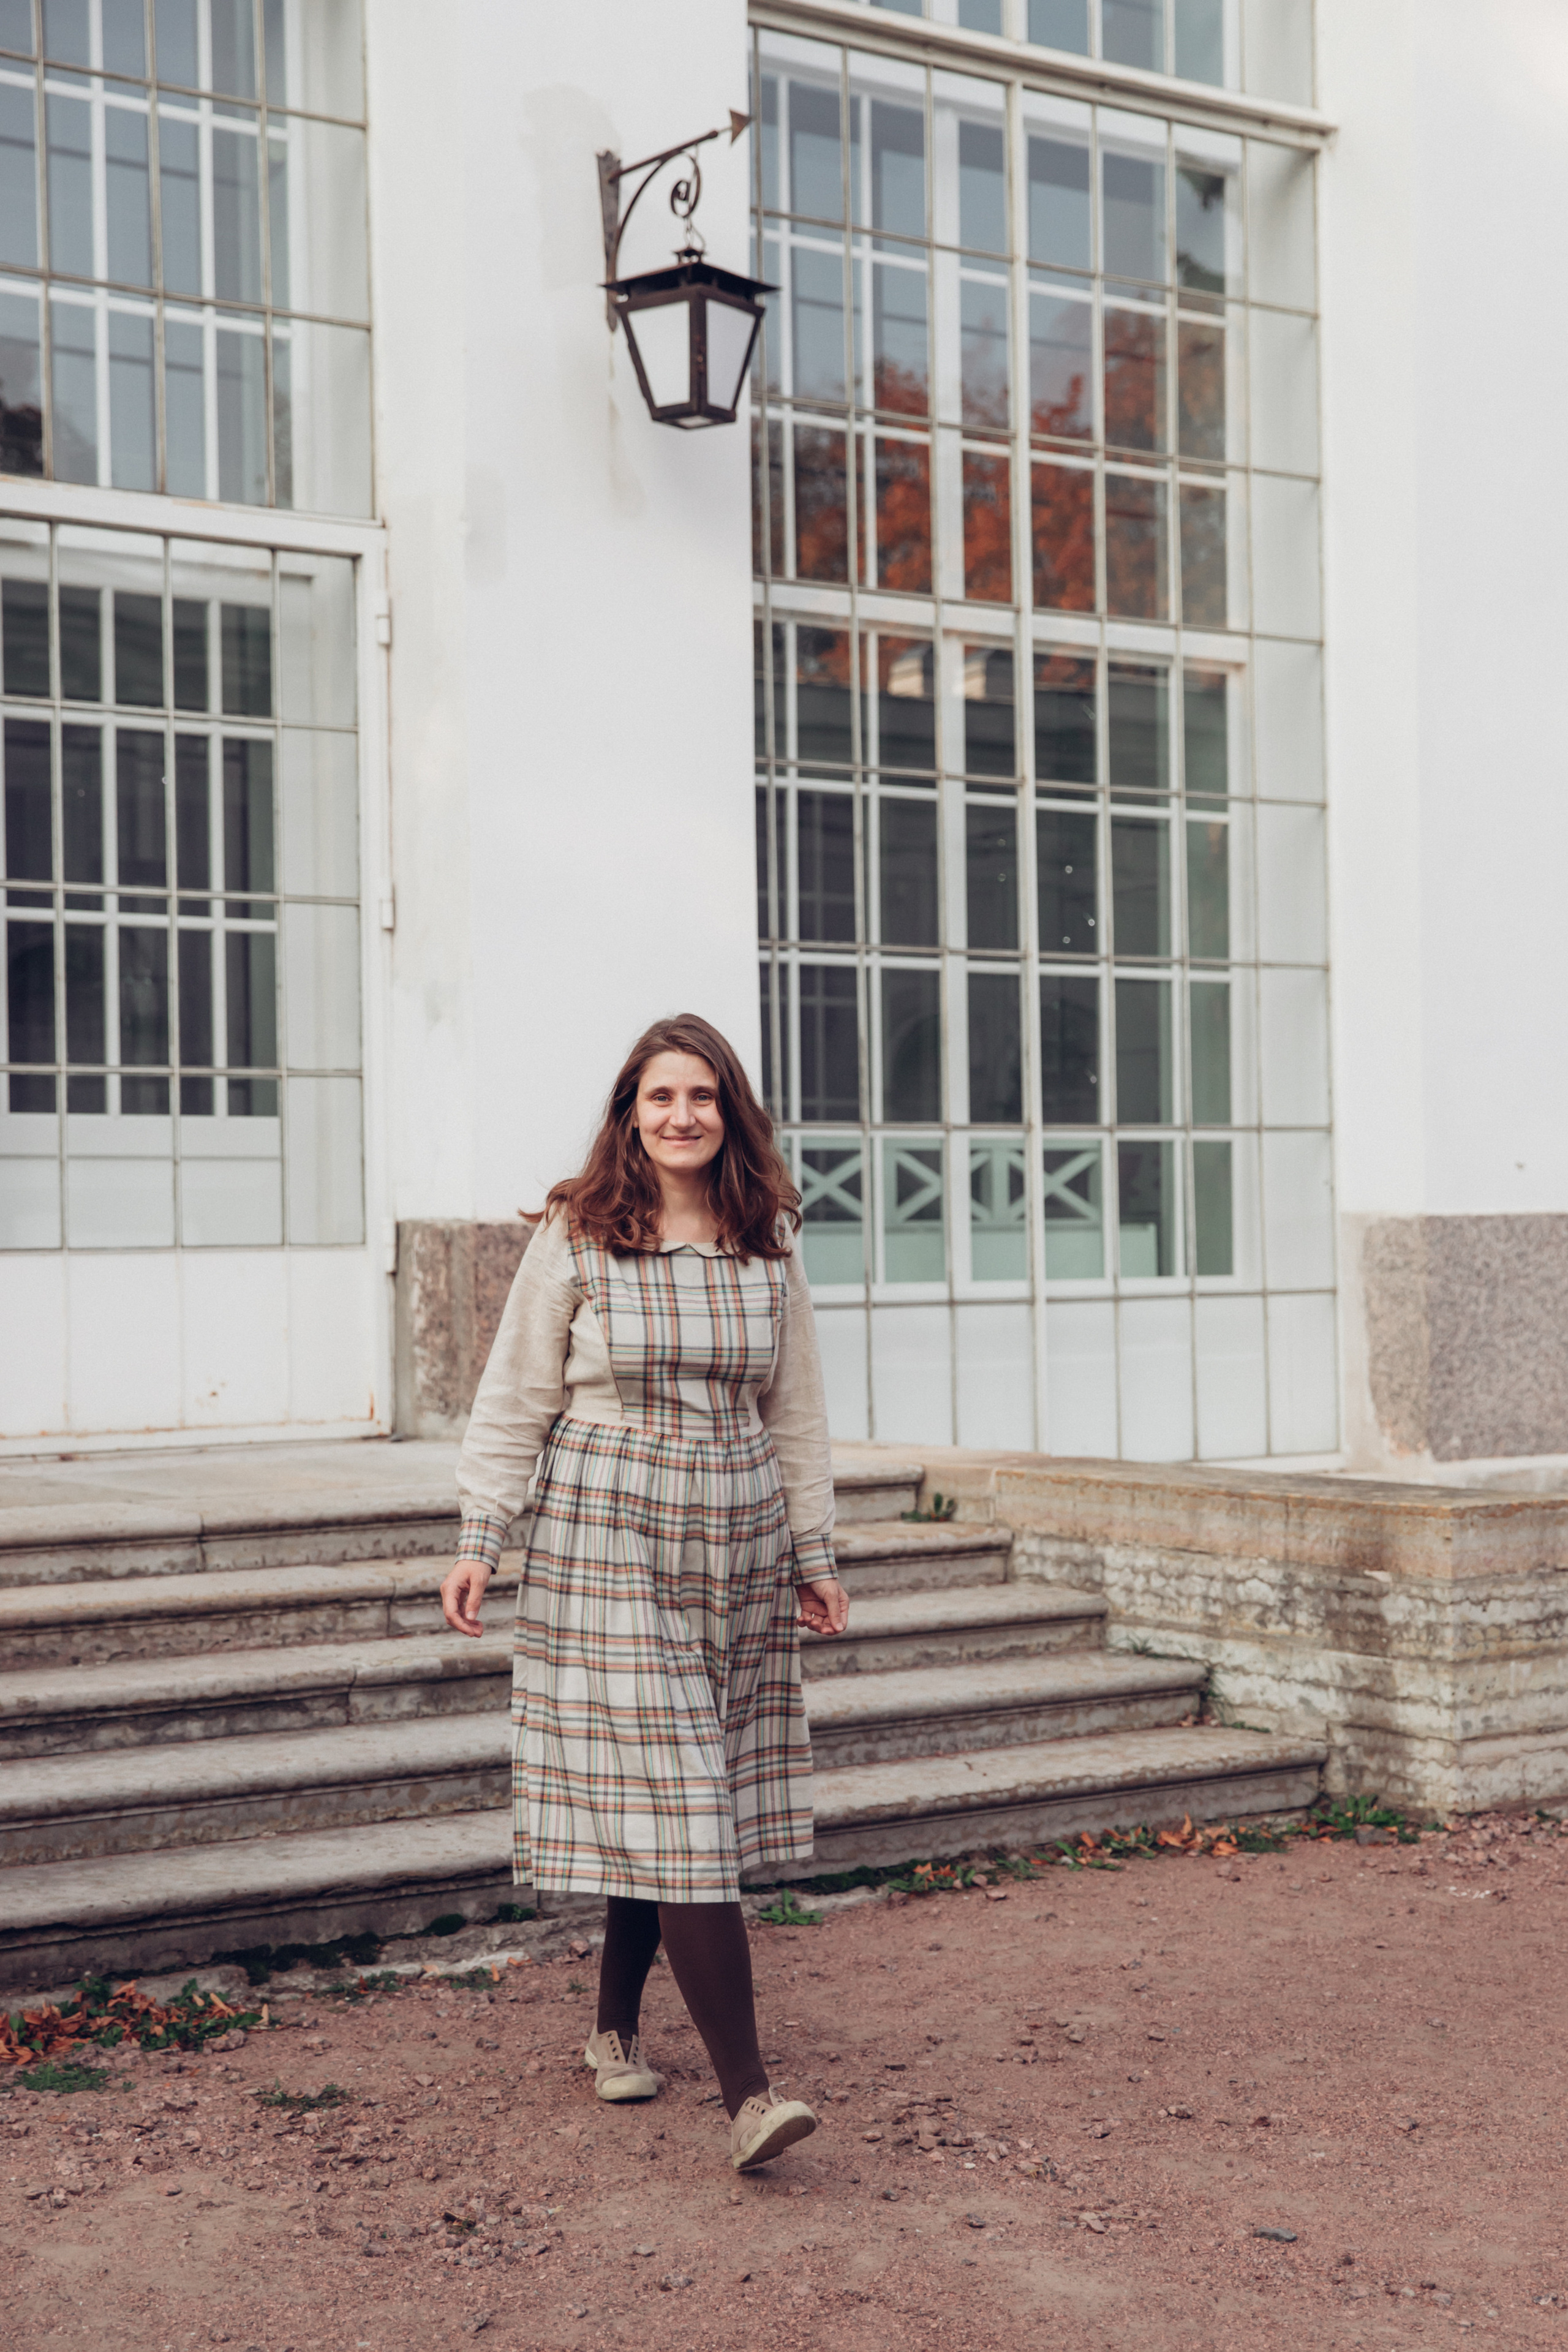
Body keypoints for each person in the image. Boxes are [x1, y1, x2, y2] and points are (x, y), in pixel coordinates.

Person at [439, 1013, 850, 2172]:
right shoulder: (581, 1233)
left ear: (731, 1113)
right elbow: (516, 1392)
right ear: (631, 1112)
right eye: (660, 1097)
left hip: (733, 1543)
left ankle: (613, 2025)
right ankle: (753, 2098)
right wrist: (484, 1535)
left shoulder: (767, 1235)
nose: (682, 1116)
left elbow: (798, 1410)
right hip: (603, 1541)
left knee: (679, 1803)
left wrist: (813, 1554)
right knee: (679, 1803)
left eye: (704, 1097)